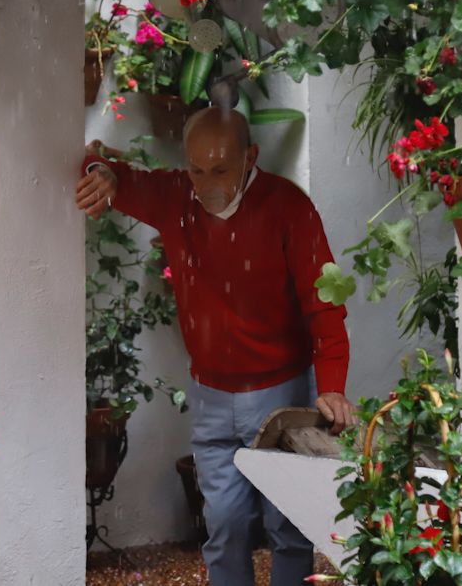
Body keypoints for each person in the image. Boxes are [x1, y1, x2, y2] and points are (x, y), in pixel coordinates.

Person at [74, 106, 354, 586]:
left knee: (288, 526)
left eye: (220, 169)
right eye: (196, 170)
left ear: (250, 157)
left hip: (281, 394)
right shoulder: (174, 197)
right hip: (210, 397)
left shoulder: (289, 207)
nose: (206, 183)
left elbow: (324, 304)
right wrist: (99, 173)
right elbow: (110, 173)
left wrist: (331, 387)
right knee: (223, 525)